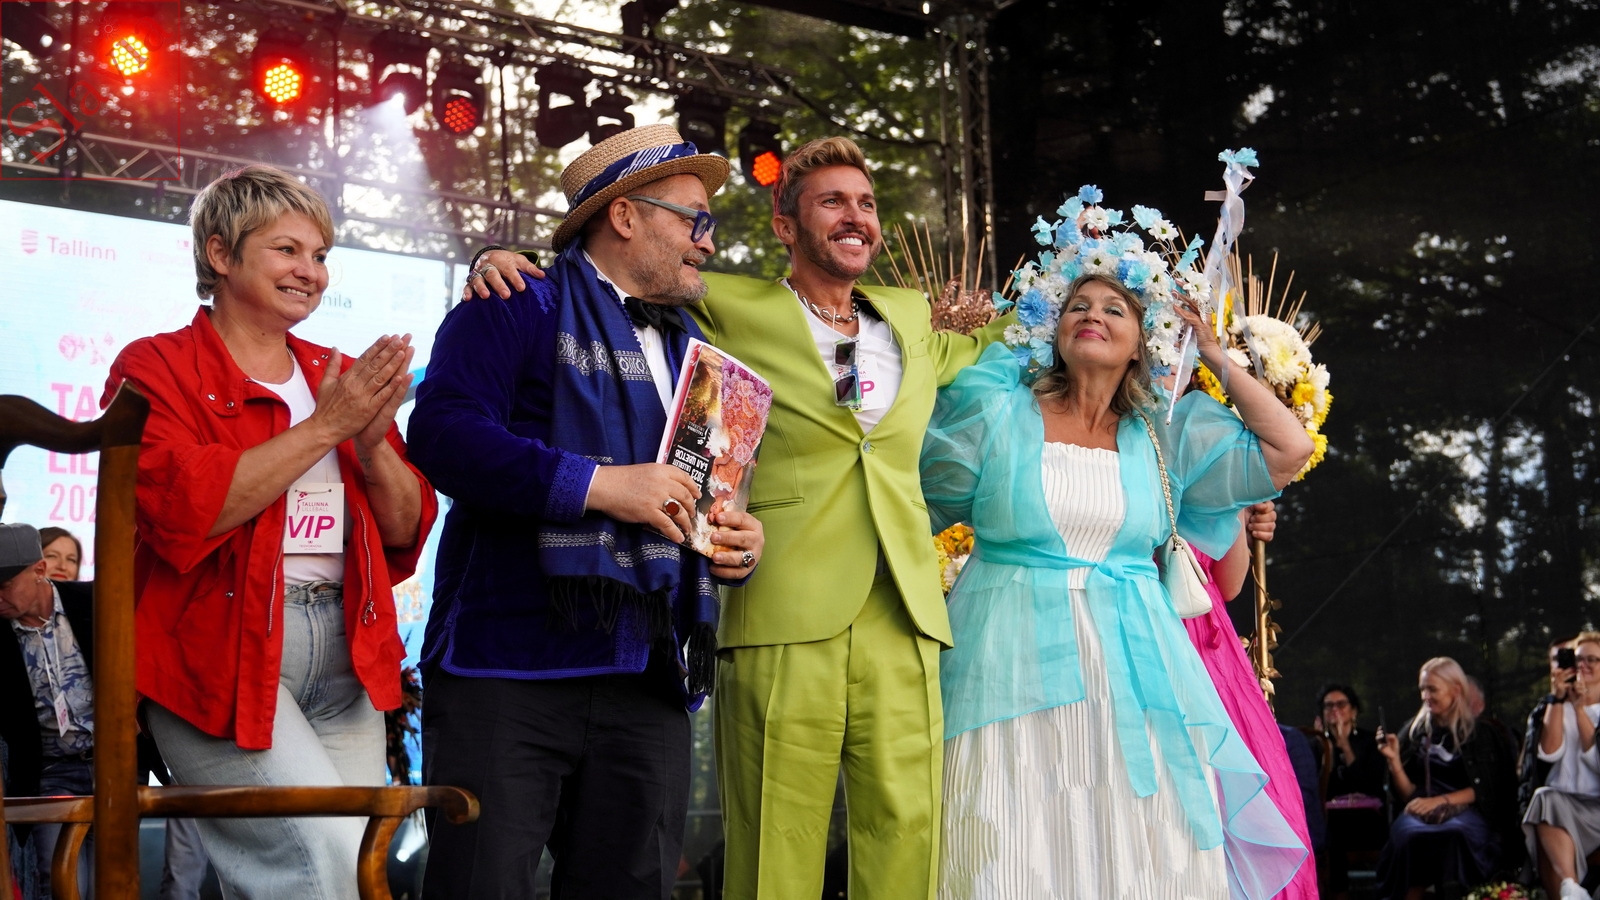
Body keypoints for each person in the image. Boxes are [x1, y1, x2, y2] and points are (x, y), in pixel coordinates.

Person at [467, 134, 1014, 899]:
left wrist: (1118, 298)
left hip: (904, 606)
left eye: (865, 203)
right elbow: (609, 271)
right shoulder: (724, 302)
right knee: (775, 841)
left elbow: (1012, 344)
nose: (855, 216)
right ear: (785, 225)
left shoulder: (912, 316)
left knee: (907, 831)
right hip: (784, 601)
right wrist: (501, 256)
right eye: (832, 201)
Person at [921, 184, 1316, 897]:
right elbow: (908, 493)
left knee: (1140, 851)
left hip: (1135, 677)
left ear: (1143, 342)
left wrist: (1214, 353)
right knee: (1008, 845)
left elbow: (1288, 448)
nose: (1093, 316)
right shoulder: (996, 409)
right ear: (1053, 328)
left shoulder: (1163, 434)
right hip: (1006, 668)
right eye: (1078, 305)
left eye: (1115, 308)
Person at [406, 124, 765, 899]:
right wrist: (601, 486)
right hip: (508, 667)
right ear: (625, 216)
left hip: (648, 676)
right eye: (695, 219)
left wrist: (734, 541)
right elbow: (441, 434)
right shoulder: (514, 302)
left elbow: (704, 505)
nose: (708, 241)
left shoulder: (703, 359)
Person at [101, 164, 437, 900]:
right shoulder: (154, 365)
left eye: (320, 255)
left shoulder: (334, 372)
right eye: (287, 250)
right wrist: (327, 426)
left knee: (356, 872)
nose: (311, 272)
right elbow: (184, 511)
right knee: (318, 869)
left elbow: (406, 530)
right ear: (220, 254)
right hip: (217, 648)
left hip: (347, 651)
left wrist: (371, 444)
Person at [1181, 501, 1319, 900]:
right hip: (1168, 632)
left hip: (1207, 641)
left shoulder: (1220, 474)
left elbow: (1229, 584)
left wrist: (1240, 510)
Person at [1376, 657, 1517, 900]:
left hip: (1467, 812)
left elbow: (1487, 788)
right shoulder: (1414, 733)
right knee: (1408, 836)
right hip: (1421, 813)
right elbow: (1409, 796)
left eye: (1432, 689)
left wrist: (1440, 800)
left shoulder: (1481, 733)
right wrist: (1394, 762)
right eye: (1422, 689)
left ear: (1456, 690)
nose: (1425, 696)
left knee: (1458, 834)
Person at [1523, 631, 1600, 900]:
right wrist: (1557, 699)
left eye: (1592, 659)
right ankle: (1571, 887)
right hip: (1562, 804)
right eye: (1579, 659)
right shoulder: (1554, 707)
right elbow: (1549, 753)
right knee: (1544, 798)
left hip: (1596, 808)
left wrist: (1580, 710)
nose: (1584, 665)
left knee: (1547, 808)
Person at [1317, 682, 1389, 897]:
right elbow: (1321, 789)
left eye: (1341, 704)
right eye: (1329, 706)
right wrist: (1327, 750)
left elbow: (1370, 786)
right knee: (1330, 834)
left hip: (1367, 819)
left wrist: (1345, 746)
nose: (1335, 710)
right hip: (1332, 821)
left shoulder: (1370, 742)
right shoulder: (1316, 744)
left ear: (1354, 710)